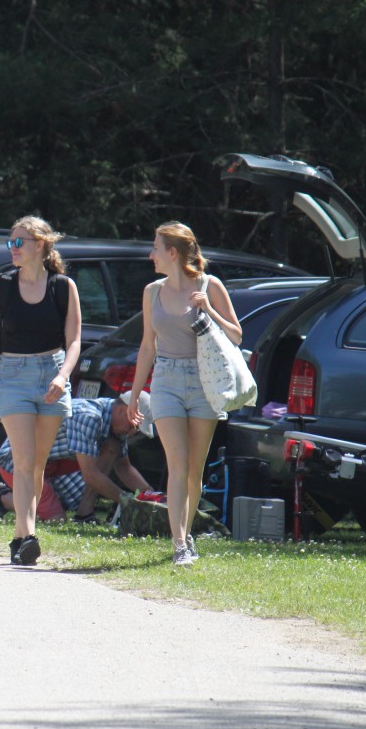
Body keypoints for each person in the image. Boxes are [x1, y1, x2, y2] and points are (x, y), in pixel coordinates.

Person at [128, 222, 242, 567]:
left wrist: (210, 309)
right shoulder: (152, 292)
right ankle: (179, 543)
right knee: (176, 464)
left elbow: (236, 336)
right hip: (166, 379)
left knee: (194, 469)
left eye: (156, 248)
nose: (151, 255)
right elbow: (147, 346)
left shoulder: (210, 285)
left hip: (204, 380)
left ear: (173, 253)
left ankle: (186, 532)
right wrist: (135, 394)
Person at [0, 216, 81, 566]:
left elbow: (74, 341)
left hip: (52, 373)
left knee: (37, 464)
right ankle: (29, 533)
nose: (13, 248)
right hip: (13, 375)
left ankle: (20, 537)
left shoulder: (63, 286)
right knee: (22, 460)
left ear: (41, 245)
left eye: (20, 242)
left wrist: (63, 376)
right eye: (11, 242)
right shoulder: (2, 285)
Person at [0, 391, 156, 523]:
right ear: (123, 411)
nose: (132, 433)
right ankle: (2, 499)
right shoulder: (89, 417)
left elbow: (124, 468)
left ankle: (84, 515)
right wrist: (127, 501)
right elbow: (90, 474)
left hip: (52, 463)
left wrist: (153, 496)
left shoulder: (116, 428)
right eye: (134, 427)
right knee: (57, 519)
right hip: (19, 462)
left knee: (112, 447)